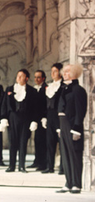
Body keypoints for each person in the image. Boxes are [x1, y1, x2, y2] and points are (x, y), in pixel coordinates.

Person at [56, 64, 87, 194]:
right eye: (64, 71)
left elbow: (80, 111)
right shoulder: (64, 88)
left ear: (74, 73)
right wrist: (59, 127)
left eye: (68, 71)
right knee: (66, 155)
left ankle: (76, 184)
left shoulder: (78, 90)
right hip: (63, 124)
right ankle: (68, 182)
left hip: (72, 125)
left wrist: (76, 128)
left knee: (75, 154)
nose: (65, 74)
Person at [0, 69, 38, 173]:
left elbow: (35, 108)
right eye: (18, 76)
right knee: (12, 142)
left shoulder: (32, 91)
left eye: (21, 76)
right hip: (12, 118)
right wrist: (4, 118)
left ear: (26, 78)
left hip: (26, 118)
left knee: (23, 142)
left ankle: (22, 166)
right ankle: (11, 166)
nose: (19, 78)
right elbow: (4, 104)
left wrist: (34, 120)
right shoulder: (9, 89)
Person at [41, 63, 64, 174]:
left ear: (60, 72)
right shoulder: (49, 86)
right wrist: (44, 117)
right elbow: (44, 103)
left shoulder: (64, 86)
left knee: (62, 143)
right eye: (52, 71)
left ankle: (63, 167)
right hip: (50, 116)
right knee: (50, 142)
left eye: (55, 71)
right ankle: (49, 166)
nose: (52, 73)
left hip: (59, 116)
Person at [29, 70, 48, 171]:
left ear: (43, 78)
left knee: (42, 141)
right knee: (37, 140)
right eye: (35, 77)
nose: (36, 79)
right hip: (36, 118)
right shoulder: (35, 89)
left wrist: (44, 117)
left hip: (43, 119)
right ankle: (37, 161)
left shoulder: (46, 88)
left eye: (39, 77)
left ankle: (43, 163)